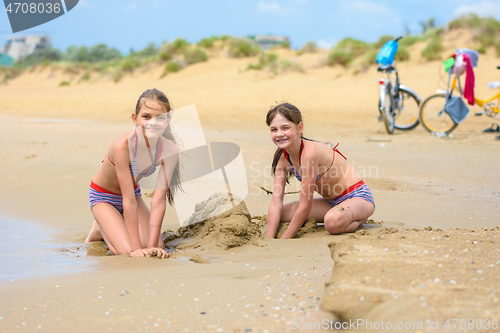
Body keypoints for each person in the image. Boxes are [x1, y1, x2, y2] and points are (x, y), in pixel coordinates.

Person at [85, 88, 181, 258]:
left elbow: (158, 202)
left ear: (168, 120)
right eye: (146, 116)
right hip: (103, 197)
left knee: (158, 246)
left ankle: (114, 224)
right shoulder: (123, 146)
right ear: (135, 119)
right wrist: (136, 248)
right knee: (127, 252)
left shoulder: (169, 150)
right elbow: (127, 201)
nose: (153, 122)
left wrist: (153, 247)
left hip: (133, 196)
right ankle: (100, 228)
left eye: (160, 118)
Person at [265, 103, 375, 239]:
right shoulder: (282, 158)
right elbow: (276, 203)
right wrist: (269, 239)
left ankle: (359, 220)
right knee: (278, 214)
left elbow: (305, 206)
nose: (279, 134)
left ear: (300, 128)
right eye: (274, 130)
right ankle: (342, 214)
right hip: (330, 202)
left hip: (357, 197)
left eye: (285, 128)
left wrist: (284, 240)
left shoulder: (309, 154)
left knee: (332, 223)